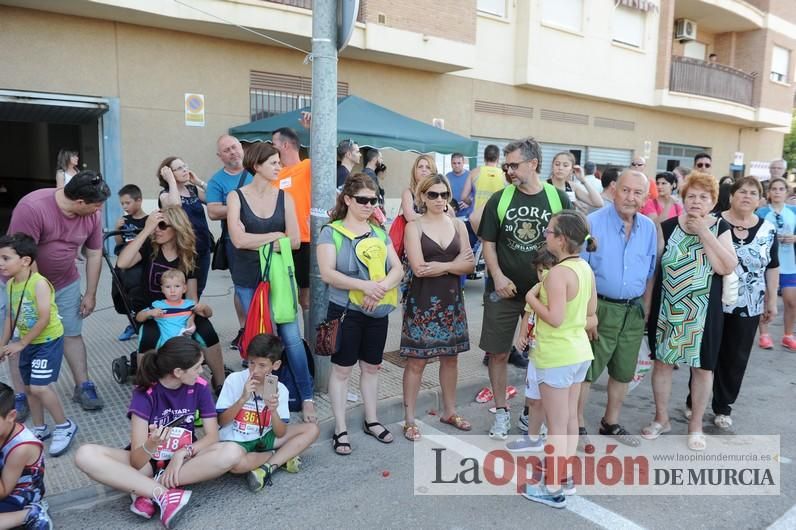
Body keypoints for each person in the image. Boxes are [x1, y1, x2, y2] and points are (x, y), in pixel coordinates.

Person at [74, 337, 243, 528]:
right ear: (178, 372)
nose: (201, 371)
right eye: (196, 367)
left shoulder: (200, 386)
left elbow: (212, 437)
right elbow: (137, 461)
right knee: (84, 455)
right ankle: (163, 494)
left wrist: (182, 452)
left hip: (185, 462)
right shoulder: (145, 393)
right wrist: (151, 443)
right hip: (147, 464)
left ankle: (143, 489)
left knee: (232, 452)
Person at [477, 137, 571, 440]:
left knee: (541, 356)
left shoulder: (558, 200)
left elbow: (569, 246)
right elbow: (488, 242)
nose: (510, 170)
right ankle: (502, 412)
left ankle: (532, 414)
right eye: (507, 165)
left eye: (515, 165)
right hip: (504, 291)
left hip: (545, 295)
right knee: (498, 353)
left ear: (533, 164)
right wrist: (498, 276)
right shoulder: (501, 199)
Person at [645, 173, 737, 451]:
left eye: (703, 197)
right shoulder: (668, 226)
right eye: (691, 196)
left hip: (703, 312)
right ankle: (662, 418)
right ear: (683, 199)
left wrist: (704, 232)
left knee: (703, 369)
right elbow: (655, 269)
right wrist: (648, 305)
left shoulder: (720, 227)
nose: (696, 202)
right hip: (668, 308)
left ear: (712, 202)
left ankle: (695, 425)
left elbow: (726, 266)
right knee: (662, 363)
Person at [226, 142, 316, 423]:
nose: (279, 166)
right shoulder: (236, 197)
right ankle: (262, 396)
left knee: (290, 336)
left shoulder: (284, 197)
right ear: (257, 165)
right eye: (274, 162)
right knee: (258, 339)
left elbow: (295, 240)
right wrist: (274, 236)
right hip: (247, 277)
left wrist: (263, 239)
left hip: (278, 275)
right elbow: (237, 240)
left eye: (279, 162)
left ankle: (307, 396)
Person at [7, 170, 110, 411]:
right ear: (80, 202)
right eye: (95, 206)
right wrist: (39, 294)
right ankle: (21, 396)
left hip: (65, 282)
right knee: (22, 337)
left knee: (71, 333)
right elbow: (23, 255)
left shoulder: (92, 214)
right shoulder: (32, 207)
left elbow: (94, 253)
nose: (99, 211)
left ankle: (83, 385)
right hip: (25, 284)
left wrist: (91, 293)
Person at [317, 174, 403, 455]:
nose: (369, 205)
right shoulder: (331, 232)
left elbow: (398, 269)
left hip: (377, 311)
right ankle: (340, 427)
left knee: (372, 367)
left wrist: (379, 289)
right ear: (348, 200)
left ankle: (371, 419)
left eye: (373, 200)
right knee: (342, 370)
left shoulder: (379, 231)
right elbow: (328, 273)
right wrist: (365, 286)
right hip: (345, 311)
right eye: (363, 200)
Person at [521, 210, 597, 508]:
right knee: (567, 422)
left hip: (557, 355)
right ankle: (563, 477)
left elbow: (554, 318)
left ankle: (552, 487)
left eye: (549, 231)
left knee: (555, 425)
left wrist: (531, 299)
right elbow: (591, 311)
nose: (545, 235)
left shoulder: (557, 274)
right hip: (578, 352)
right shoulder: (584, 269)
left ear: (562, 239)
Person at [578, 170, 656, 449]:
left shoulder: (648, 227)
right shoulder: (592, 223)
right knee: (586, 371)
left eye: (637, 193)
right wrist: (588, 314)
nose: (630, 198)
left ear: (645, 198)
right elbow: (580, 272)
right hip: (599, 308)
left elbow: (649, 272)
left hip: (632, 312)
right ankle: (577, 426)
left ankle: (610, 422)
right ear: (613, 190)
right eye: (625, 190)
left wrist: (645, 308)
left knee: (623, 372)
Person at [692, 177, 778, 430]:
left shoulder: (768, 229)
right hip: (711, 300)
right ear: (731, 195)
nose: (747, 196)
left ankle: (723, 406)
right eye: (742, 191)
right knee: (705, 354)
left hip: (749, 303)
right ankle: (693, 402)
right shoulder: (714, 222)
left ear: (761, 199)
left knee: (735, 356)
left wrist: (771, 300)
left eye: (753, 193)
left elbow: (772, 267)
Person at [116, 207, 227, 392]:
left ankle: (221, 382)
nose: (157, 230)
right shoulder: (149, 248)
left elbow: (191, 296)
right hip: (153, 311)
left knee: (207, 330)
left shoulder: (189, 256)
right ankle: (146, 387)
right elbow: (122, 263)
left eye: (162, 225)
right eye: (155, 226)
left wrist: (192, 317)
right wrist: (146, 230)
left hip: (180, 310)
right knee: (150, 336)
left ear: (176, 228)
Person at [400, 175, 474, 441]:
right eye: (433, 195)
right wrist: (454, 264)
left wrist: (441, 267)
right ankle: (409, 419)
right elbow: (419, 269)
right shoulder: (414, 227)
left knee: (451, 359)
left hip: (452, 302)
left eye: (444, 194)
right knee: (416, 362)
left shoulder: (458, 225)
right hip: (422, 305)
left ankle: (450, 411)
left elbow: (470, 266)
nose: (439, 200)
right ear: (422, 197)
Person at [0, 234, 78, 457]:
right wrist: (3, 345)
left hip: (47, 341)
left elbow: (44, 318)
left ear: (25, 260)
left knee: (40, 387)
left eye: (5, 258)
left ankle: (64, 426)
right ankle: (40, 428)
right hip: (28, 343)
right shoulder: (11, 285)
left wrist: (21, 343)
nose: (0, 263)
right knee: (28, 387)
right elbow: (9, 318)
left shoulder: (39, 283)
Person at [216, 333, 319, 491]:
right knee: (236, 466)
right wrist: (242, 399)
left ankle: (266, 468)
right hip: (237, 440)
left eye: (262, 365)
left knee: (312, 429)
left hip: (265, 436)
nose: (255, 370)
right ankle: (279, 457)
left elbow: (280, 432)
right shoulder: (234, 380)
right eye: (251, 363)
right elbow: (221, 422)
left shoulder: (280, 389)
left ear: (275, 365)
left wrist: (273, 411)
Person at [505, 246, 556, 451]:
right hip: (536, 353)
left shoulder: (558, 292)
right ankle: (533, 438)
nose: (543, 274)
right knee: (534, 399)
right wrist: (522, 335)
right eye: (540, 270)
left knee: (552, 402)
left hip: (553, 354)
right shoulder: (536, 290)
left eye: (548, 269)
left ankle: (554, 441)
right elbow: (528, 313)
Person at [206, 135, 253, 351]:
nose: (232, 152)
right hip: (234, 242)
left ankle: (262, 326)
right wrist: (242, 205)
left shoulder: (257, 170)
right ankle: (244, 329)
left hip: (265, 237)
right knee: (242, 286)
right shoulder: (217, 181)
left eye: (234, 147)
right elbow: (214, 211)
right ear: (219, 156)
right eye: (226, 150)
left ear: (241, 148)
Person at [157, 156, 213, 298]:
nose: (185, 170)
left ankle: (191, 318)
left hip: (203, 248)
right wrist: (171, 181)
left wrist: (199, 182)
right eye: (179, 168)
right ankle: (179, 318)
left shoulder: (192, 189)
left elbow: (215, 199)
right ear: (169, 174)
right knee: (182, 291)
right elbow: (176, 206)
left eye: (185, 166)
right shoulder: (165, 195)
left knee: (198, 290)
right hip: (183, 250)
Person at [271, 127, 312, 313]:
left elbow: (325, 155)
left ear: (285, 145)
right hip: (280, 242)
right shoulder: (273, 173)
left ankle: (311, 339)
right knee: (284, 299)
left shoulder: (307, 166)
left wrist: (312, 129)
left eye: (274, 145)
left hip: (304, 241)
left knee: (306, 299)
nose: (272, 149)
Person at [0, 383, 51, 530]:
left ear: (11, 416)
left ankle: (30, 514)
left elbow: (4, 491)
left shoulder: (21, 447)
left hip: (18, 495)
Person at [756, 177, 796, 350]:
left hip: (789, 263)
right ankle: (764, 334)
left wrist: (794, 238)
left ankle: (788, 335)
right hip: (767, 263)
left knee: (791, 301)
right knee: (765, 299)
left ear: (787, 192)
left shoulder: (793, 211)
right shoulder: (762, 212)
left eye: (781, 189)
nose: (778, 192)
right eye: (774, 189)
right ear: (769, 193)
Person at [114, 184, 148, 342]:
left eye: (127, 203)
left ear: (139, 201)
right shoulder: (123, 220)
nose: (125, 206)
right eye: (122, 204)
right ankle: (132, 322)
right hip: (124, 264)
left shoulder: (148, 221)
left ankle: (141, 324)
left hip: (141, 265)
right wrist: (117, 229)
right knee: (123, 295)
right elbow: (119, 242)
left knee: (139, 295)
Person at [135, 270, 196, 349]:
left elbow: (208, 313)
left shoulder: (189, 304)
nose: (172, 290)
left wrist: (193, 316)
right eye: (168, 287)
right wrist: (149, 313)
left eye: (177, 286)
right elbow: (138, 318)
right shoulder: (159, 305)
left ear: (184, 288)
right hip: (166, 347)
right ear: (162, 289)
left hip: (187, 347)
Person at [461, 144, 505, 233]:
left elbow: (464, 197)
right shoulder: (504, 175)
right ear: (498, 158)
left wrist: (472, 202)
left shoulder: (474, 173)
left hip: (477, 220)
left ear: (484, 158)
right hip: (495, 220)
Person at [400, 155, 437, 224]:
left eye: (428, 167)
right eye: (420, 167)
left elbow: (449, 213)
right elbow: (410, 216)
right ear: (415, 171)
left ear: (433, 172)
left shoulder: (438, 192)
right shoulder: (408, 193)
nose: (424, 169)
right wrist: (434, 219)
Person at [447, 153, 472, 217]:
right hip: (451, 215)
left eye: (459, 163)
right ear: (451, 163)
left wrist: (469, 203)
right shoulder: (447, 177)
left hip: (467, 215)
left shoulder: (471, 176)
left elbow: (477, 195)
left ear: (463, 163)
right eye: (454, 163)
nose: (457, 165)